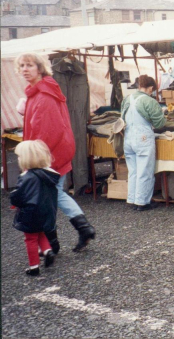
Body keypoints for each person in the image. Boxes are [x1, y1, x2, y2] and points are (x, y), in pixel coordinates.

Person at [16, 52, 96, 253]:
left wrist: (34, 162)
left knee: (48, 198)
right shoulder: (39, 92)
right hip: (48, 154)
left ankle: (57, 241)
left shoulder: (43, 95)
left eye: (29, 65)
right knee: (52, 196)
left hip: (48, 156)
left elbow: (48, 131)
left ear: (40, 68)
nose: (25, 69)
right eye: (22, 66)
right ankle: (70, 235)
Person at [10, 140, 59, 276]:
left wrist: (14, 198)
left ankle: (34, 266)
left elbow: (18, 197)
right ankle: (47, 251)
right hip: (46, 211)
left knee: (30, 239)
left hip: (30, 212)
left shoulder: (26, 177)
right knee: (41, 233)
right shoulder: (50, 175)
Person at [121, 75, 165, 211]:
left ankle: (132, 199)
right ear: (150, 88)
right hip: (143, 137)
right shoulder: (149, 101)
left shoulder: (127, 98)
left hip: (127, 137)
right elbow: (160, 122)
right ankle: (142, 202)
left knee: (133, 171)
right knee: (144, 170)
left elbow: (122, 117)